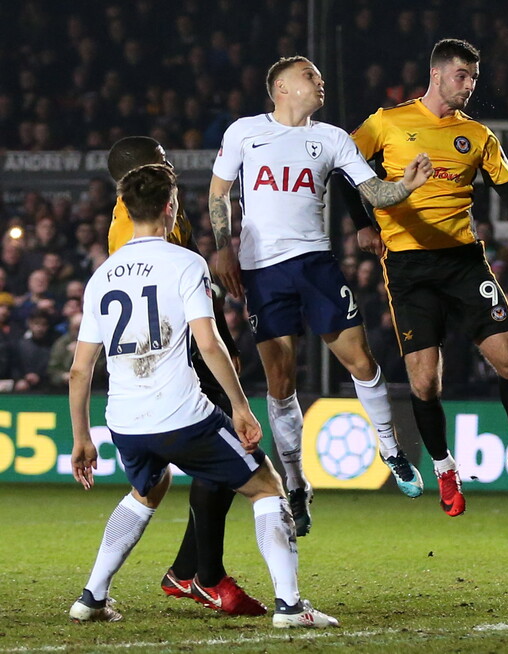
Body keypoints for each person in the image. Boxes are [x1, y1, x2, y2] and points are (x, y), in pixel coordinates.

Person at [68, 164, 337, 629]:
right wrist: (240, 407)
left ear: (126, 210)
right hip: (181, 413)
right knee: (266, 486)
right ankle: (292, 607)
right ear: (170, 208)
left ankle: (92, 597)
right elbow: (209, 343)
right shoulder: (185, 263)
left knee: (147, 490)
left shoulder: (102, 276)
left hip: (125, 421)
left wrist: (81, 438)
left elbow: (79, 369)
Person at [349, 39, 508, 516]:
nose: (469, 85)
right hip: (408, 267)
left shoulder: (478, 135)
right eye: (462, 76)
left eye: (474, 78)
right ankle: (444, 469)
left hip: (464, 263)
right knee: (425, 384)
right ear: (437, 74)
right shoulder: (387, 122)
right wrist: (363, 224)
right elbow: (344, 169)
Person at [209, 56, 434, 535]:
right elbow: (218, 193)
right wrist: (223, 247)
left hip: (315, 263)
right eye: (310, 75)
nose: (320, 81)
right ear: (282, 87)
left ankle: (391, 449)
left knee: (361, 361)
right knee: (280, 380)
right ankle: (295, 483)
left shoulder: (332, 138)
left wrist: (406, 186)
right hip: (262, 270)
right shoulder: (244, 131)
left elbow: (374, 192)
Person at [105, 136, 264, 615]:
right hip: (176, 355)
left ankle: (186, 571)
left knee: (220, 457)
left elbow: (200, 286)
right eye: (162, 161)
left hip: (192, 346)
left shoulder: (167, 213)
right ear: (138, 171)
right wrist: (209, 349)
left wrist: (226, 342)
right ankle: (204, 575)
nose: (170, 165)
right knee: (229, 454)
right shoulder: (127, 229)